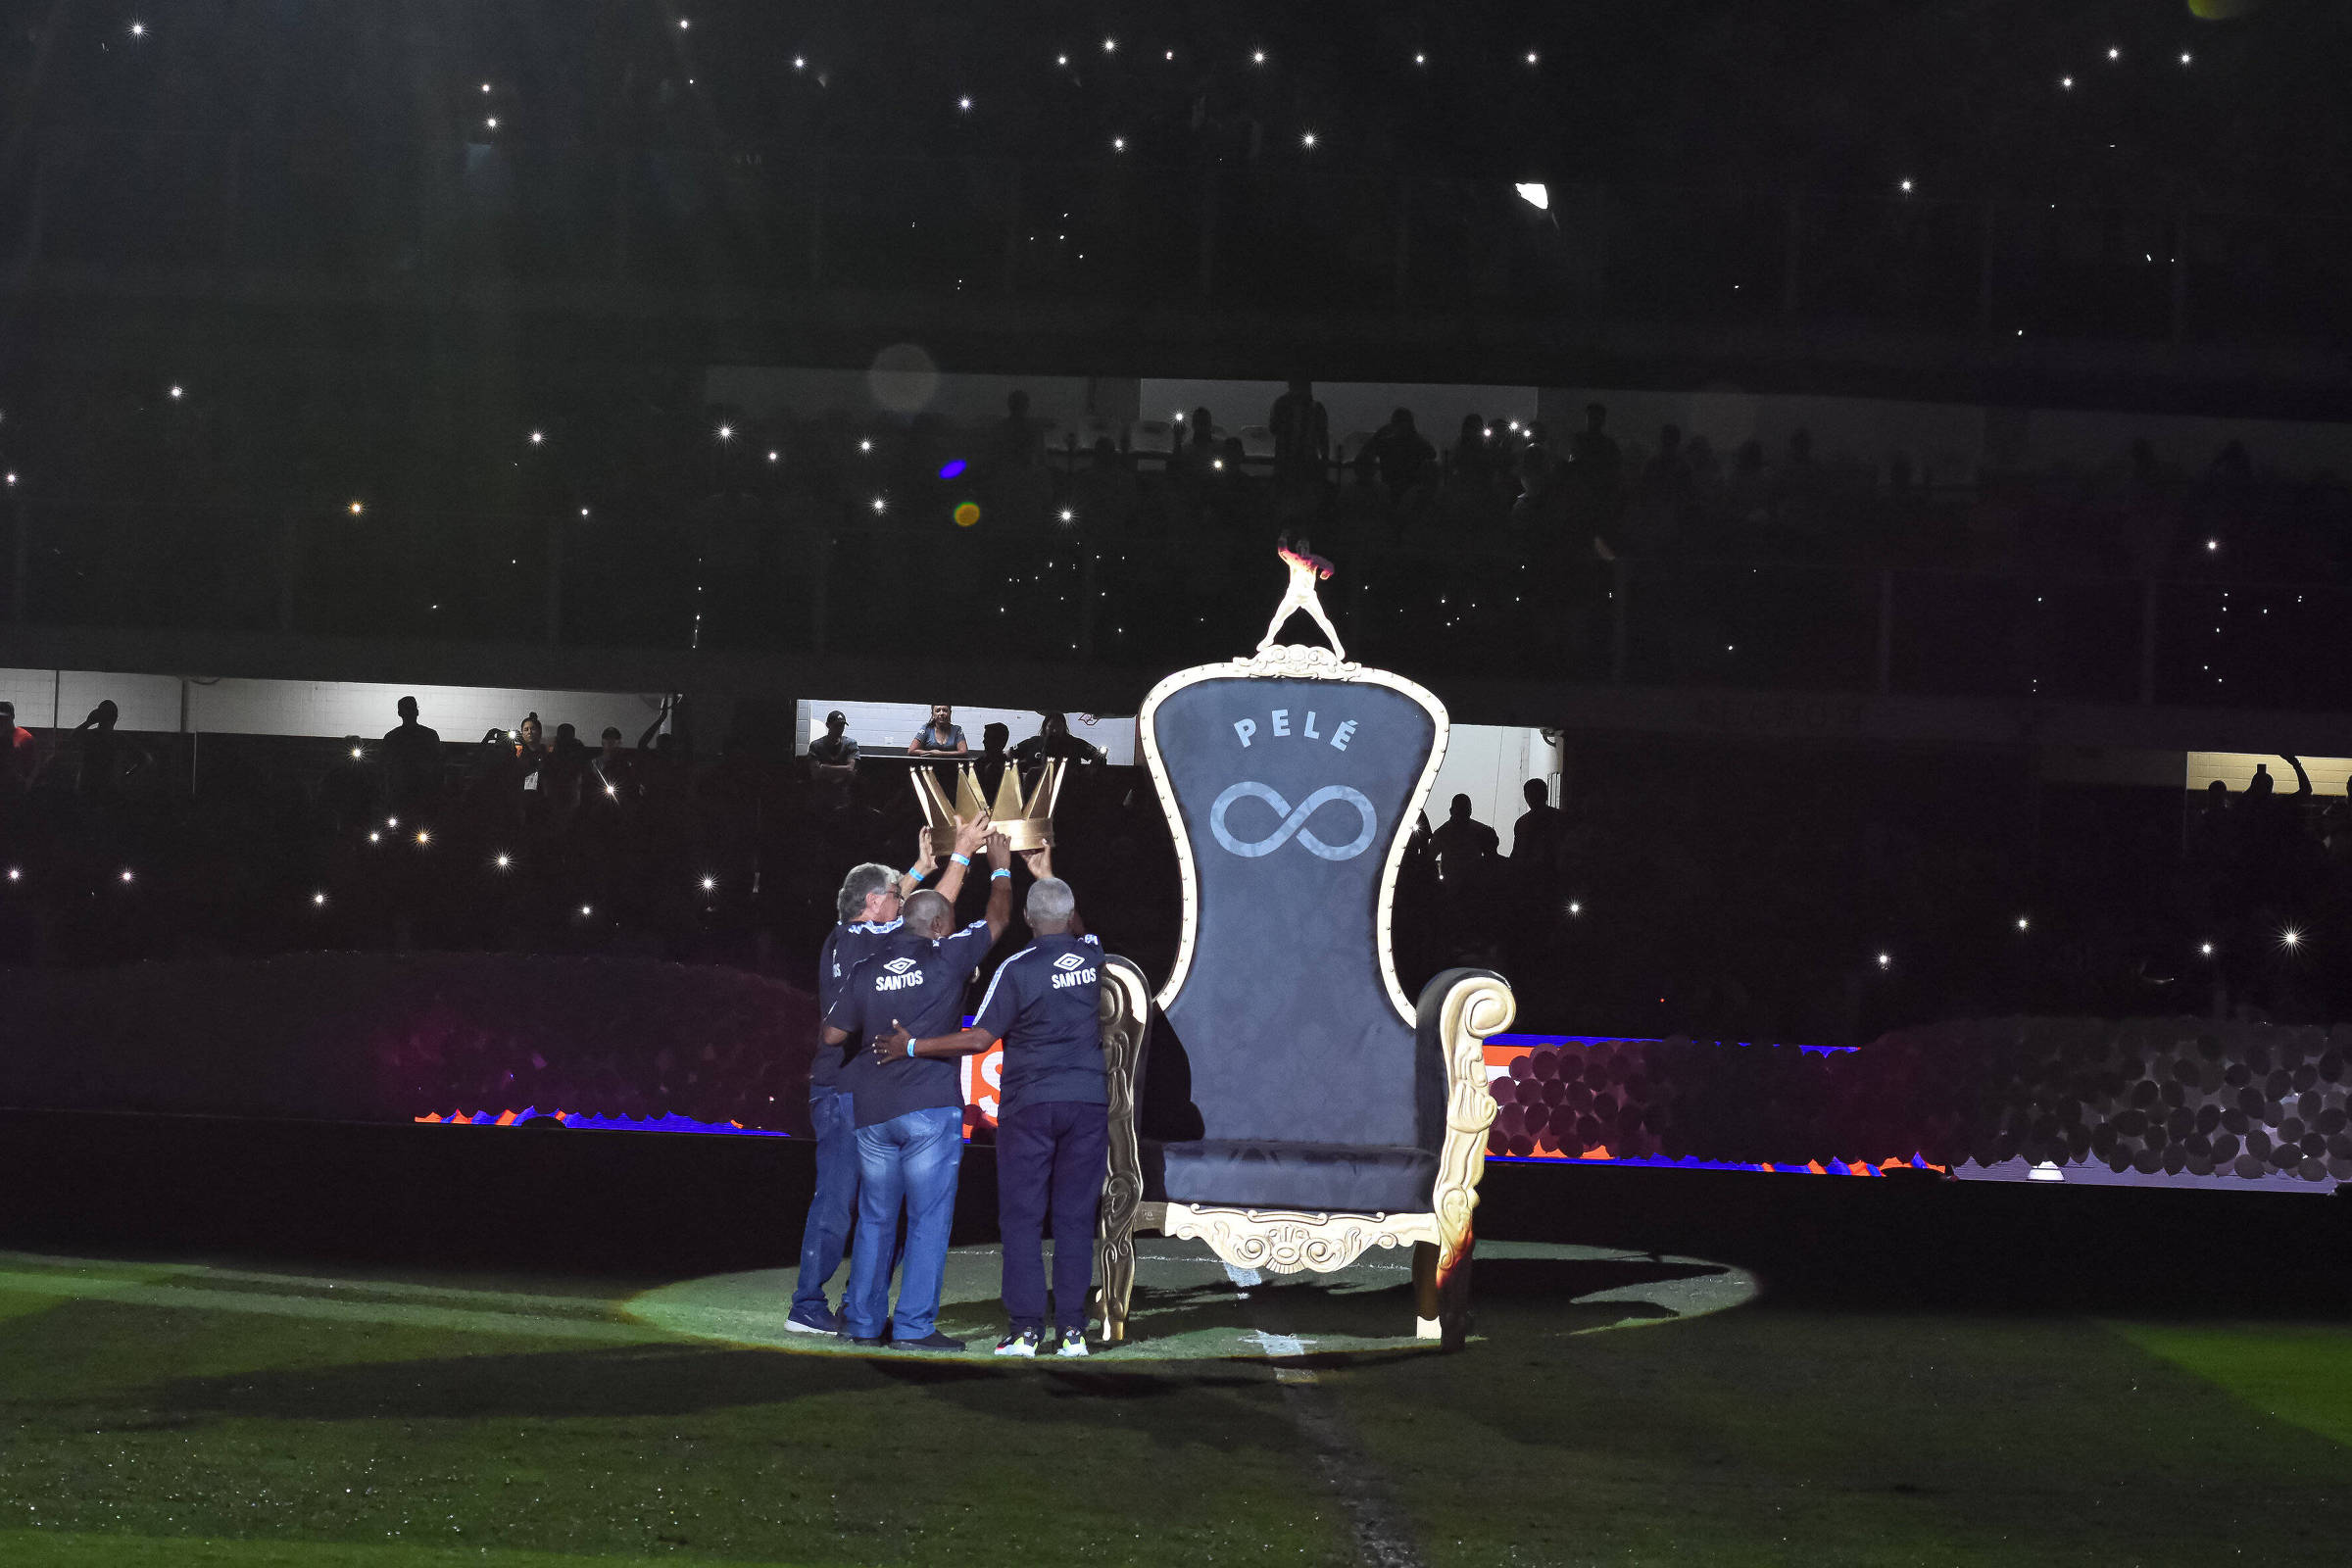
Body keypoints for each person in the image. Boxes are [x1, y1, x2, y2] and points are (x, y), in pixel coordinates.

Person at [876, 858, 1102, 1359]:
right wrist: (1048, 871)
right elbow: (1077, 926)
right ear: (1068, 917)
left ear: (1026, 917)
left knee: (1022, 1218)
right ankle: (1072, 1332)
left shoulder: (1016, 969)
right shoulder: (1091, 953)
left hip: (1030, 1106)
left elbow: (980, 1036)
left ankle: (1025, 1330)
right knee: (1074, 1218)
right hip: (1086, 1103)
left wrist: (912, 1047)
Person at [788, 812, 989, 1336]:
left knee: (871, 1207)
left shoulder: (845, 938)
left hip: (851, 1090)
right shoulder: (866, 941)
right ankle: (811, 1304)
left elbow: (903, 907)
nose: (903, 903)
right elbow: (929, 920)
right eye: (893, 898)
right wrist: (962, 855)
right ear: (874, 907)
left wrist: (918, 867)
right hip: (845, 1091)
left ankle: (857, 1309)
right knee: (846, 1203)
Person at [821, 832, 1016, 1349]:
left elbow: (832, 1035)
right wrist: (999, 869)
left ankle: (862, 1323)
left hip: (874, 1110)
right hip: (928, 1107)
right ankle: (912, 1328)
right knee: (928, 1220)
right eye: (947, 924)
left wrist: (876, 1015)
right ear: (936, 927)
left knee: (875, 1219)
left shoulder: (866, 965)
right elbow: (998, 920)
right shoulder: (946, 955)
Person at [1256, 532, 1345, 658]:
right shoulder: (1293, 558)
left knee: (1323, 621)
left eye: (1305, 545)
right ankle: (1269, 638)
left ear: (1308, 547)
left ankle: (1337, 646)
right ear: (1298, 547)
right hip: (1292, 595)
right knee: (1278, 618)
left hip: (1308, 596)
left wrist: (1325, 574)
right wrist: (1283, 537)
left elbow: (1330, 566)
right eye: (1301, 545)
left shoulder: (1314, 559)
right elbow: (1282, 551)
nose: (1303, 547)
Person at [380, 696, 442, 815]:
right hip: (424, 792)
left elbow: (384, 766)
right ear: (417, 711)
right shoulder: (430, 735)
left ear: (399, 713)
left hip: (399, 792)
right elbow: (438, 764)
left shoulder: (391, 737)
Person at [1357, 409, 1435, 499]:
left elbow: (1365, 452)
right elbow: (1432, 454)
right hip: (1402, 489)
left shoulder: (1387, 441)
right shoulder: (1415, 442)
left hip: (1397, 489)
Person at [1430, 793, 1499, 885]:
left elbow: (1429, 859)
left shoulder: (1441, 833)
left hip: (1451, 887)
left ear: (1451, 811)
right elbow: (1491, 859)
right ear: (1470, 811)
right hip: (1475, 886)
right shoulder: (1480, 830)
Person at [1268, 379, 1329, 483]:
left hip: (1288, 460)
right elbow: (1323, 437)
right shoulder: (1317, 408)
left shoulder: (1281, 404)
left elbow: (1273, 428)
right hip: (1303, 460)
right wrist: (1324, 459)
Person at [1511, 779, 1568, 877]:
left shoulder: (1521, 822)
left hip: (1530, 875)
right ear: (1546, 795)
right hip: (1554, 874)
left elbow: (1517, 852)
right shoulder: (1560, 818)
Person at [1011, 712, 1103, 769]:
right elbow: (1010, 753)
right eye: (1051, 727)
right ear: (1045, 727)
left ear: (1064, 727)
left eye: (1059, 726)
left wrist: (1089, 772)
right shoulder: (1033, 742)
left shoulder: (1074, 743)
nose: (1055, 730)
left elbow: (1098, 755)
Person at [808, 710, 858, 786]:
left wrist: (824, 767)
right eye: (836, 726)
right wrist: (843, 770)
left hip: (842, 791)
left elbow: (850, 769)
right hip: (822, 791)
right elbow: (816, 773)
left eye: (842, 726)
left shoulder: (851, 744)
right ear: (828, 725)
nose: (840, 729)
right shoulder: (816, 745)